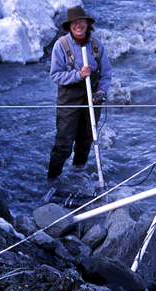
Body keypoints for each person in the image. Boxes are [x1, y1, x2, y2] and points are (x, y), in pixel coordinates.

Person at [48, 6, 112, 180]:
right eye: (74, 23)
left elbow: (106, 74)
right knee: (63, 144)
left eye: (81, 21)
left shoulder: (97, 45)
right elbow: (55, 75)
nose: (78, 25)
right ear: (69, 26)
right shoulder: (60, 46)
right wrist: (78, 74)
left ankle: (77, 175)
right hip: (69, 101)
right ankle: (52, 180)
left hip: (93, 100)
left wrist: (101, 91)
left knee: (85, 142)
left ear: (87, 23)